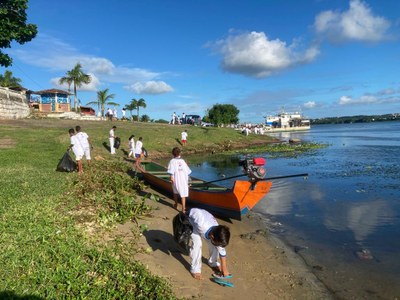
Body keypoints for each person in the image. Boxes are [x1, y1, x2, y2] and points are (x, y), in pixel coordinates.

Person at [188, 208, 231, 280]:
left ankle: (213, 263)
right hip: (191, 222)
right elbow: (193, 211)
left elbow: (222, 251)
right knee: (197, 244)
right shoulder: (201, 223)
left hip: (207, 225)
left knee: (216, 246)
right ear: (212, 236)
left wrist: (224, 269)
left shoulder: (219, 232)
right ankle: (195, 270)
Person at [167, 147, 191, 213]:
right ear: (179, 153)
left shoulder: (172, 161)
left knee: (175, 192)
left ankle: (176, 204)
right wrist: (188, 181)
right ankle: (183, 209)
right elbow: (188, 171)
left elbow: (171, 171)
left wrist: (171, 178)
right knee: (183, 195)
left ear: (173, 154)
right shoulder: (183, 161)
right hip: (183, 179)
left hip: (176, 179)